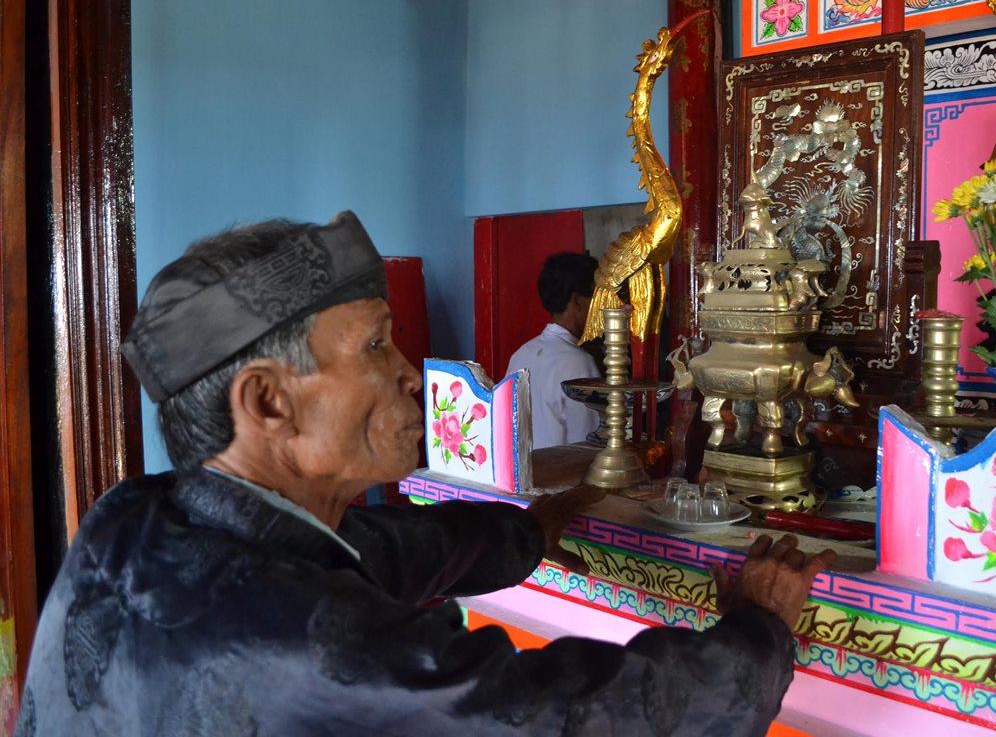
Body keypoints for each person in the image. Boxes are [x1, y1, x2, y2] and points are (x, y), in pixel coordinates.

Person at [15, 211, 835, 736]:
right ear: (266, 402)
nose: (412, 374)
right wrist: (756, 630)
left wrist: (540, 521)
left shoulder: (133, 519)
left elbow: (389, 548)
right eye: (375, 346)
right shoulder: (311, 642)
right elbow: (576, 719)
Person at [506, 252, 603, 449]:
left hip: (522, 475)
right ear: (577, 301)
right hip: (562, 475)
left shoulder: (521, 354)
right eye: (596, 297)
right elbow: (587, 442)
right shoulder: (578, 362)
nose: (602, 308)